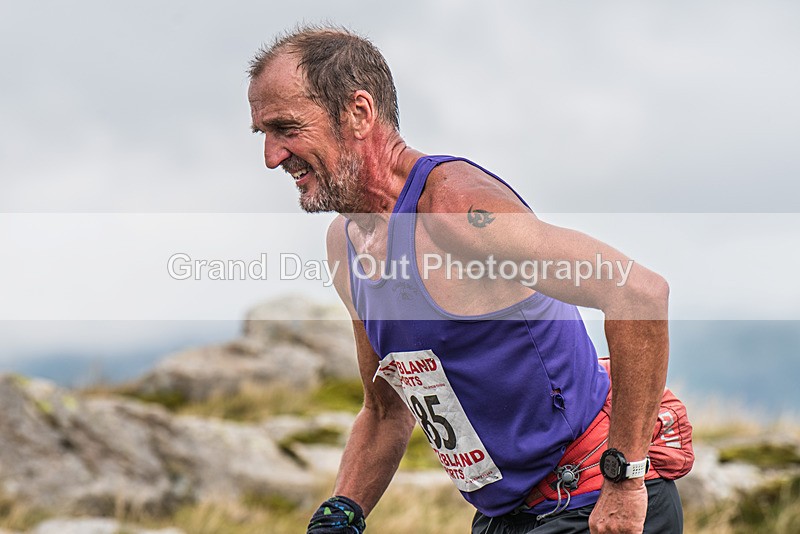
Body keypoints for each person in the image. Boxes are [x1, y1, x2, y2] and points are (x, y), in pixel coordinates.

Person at [247, 25, 692, 534]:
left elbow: (638, 293)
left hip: (589, 500)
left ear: (359, 113)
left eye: (286, 129)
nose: (272, 156)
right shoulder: (345, 246)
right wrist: (342, 511)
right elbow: (386, 411)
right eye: (264, 135)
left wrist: (625, 482)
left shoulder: (456, 210)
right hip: (506, 516)